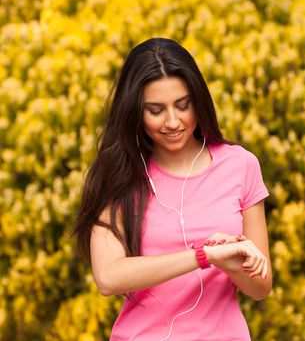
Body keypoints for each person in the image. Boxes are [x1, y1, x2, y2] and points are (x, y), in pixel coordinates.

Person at [72, 37, 272, 341]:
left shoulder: (240, 165)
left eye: (183, 105)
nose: (172, 121)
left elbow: (260, 287)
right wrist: (203, 257)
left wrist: (231, 262)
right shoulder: (118, 173)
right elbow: (108, 278)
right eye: (155, 110)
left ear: (198, 101)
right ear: (135, 111)